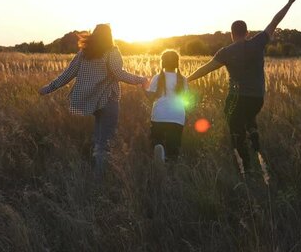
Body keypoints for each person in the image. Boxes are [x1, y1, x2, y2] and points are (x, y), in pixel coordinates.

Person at [187, 0, 300, 172]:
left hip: (236, 98)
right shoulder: (258, 42)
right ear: (247, 33)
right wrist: (290, 2)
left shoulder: (225, 52)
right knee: (249, 115)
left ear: (232, 34)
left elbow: (206, 69)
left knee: (235, 128)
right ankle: (253, 132)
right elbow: (275, 21)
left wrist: (187, 79)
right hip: (257, 98)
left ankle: (245, 165)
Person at [39, 24, 148, 177]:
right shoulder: (112, 52)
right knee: (105, 142)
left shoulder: (84, 53)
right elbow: (119, 73)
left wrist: (48, 88)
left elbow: (67, 74)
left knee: (98, 138)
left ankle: (96, 172)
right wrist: (141, 80)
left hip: (93, 102)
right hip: (108, 101)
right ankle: (100, 178)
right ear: (109, 36)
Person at [145, 50, 189, 163]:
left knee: (157, 142)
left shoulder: (157, 78)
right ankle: (171, 168)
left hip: (159, 115)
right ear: (177, 63)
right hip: (177, 117)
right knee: (173, 149)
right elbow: (186, 100)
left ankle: (160, 160)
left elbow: (150, 97)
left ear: (162, 63)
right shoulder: (183, 79)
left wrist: (143, 88)